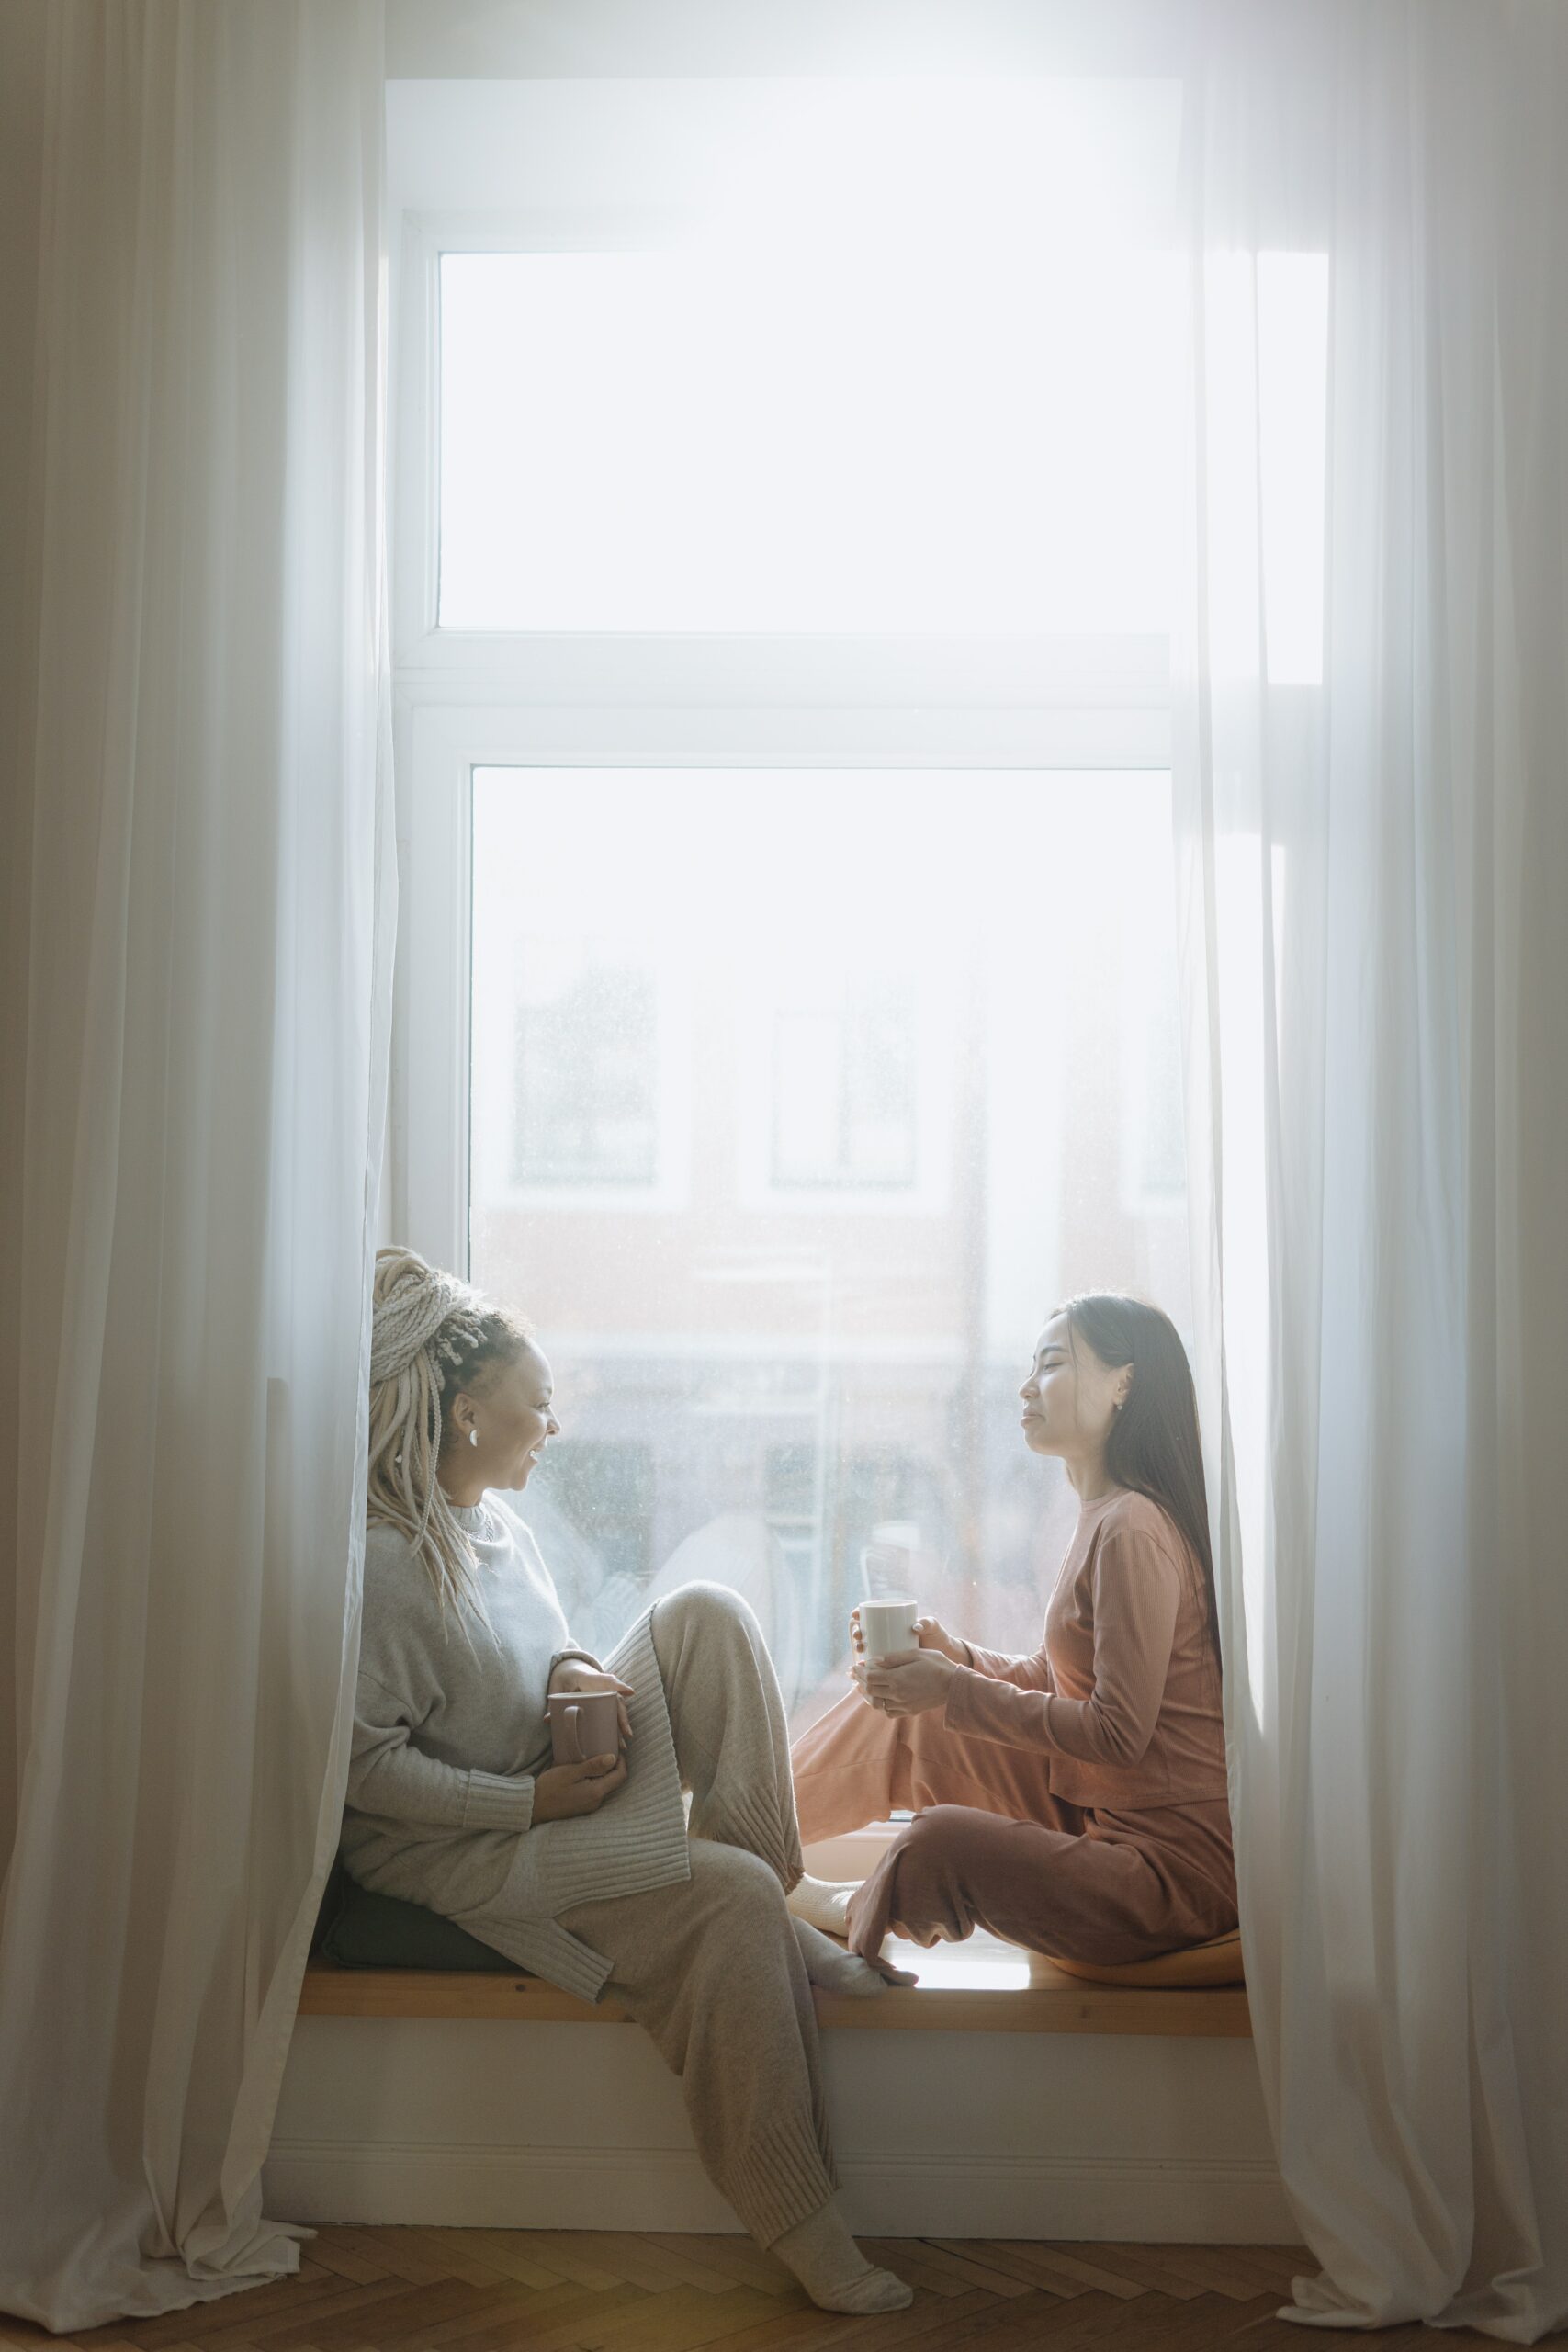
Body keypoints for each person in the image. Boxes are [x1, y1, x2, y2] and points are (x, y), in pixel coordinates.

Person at [342, 1247, 912, 2315]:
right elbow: (365, 1774)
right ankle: (802, 2219)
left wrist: (570, 1666)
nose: (553, 1426)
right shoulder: (385, 1566)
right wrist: (525, 1803)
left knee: (705, 1612)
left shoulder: (498, 1527)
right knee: (725, 1898)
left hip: (546, 1785)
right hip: (471, 1852)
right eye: (538, 1404)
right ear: (468, 1411)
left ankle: (779, 1885)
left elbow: (543, 1647)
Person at [787, 1294, 1236, 1973]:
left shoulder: (1133, 1528)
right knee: (904, 1722)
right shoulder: (1105, 1514)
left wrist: (955, 1688)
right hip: (1100, 1814)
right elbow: (1057, 1682)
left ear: (1124, 1382)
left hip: (1168, 1874)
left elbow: (1118, 1732)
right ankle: (734, 1840)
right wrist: (952, 1657)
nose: (1026, 1386)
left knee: (933, 1843)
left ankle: (845, 1910)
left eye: (1051, 1363)